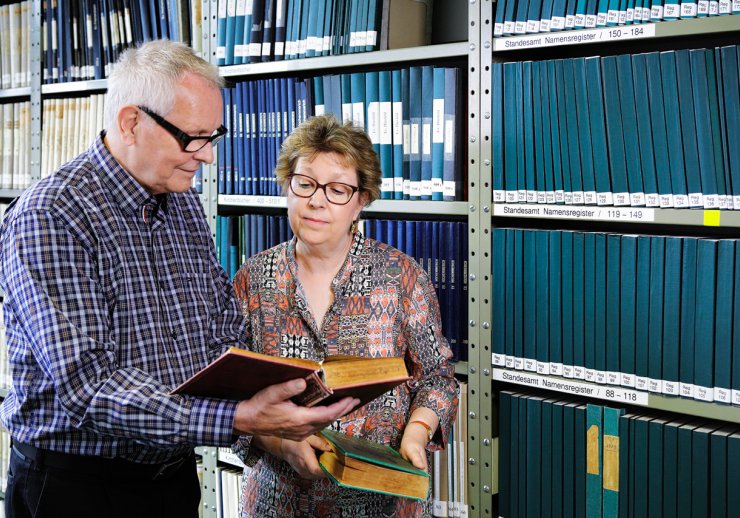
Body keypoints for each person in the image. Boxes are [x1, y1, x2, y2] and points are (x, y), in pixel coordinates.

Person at [0, 40, 357, 518]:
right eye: (193, 137)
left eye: (214, 136)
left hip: (171, 480)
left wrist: (271, 423)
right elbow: (88, 384)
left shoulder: (182, 201)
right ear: (131, 123)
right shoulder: (52, 216)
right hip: (75, 487)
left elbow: (219, 329)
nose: (207, 156)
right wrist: (238, 418)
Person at [232, 114, 459, 517]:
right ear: (288, 186)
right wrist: (280, 442)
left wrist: (417, 432)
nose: (317, 201)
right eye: (305, 184)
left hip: (379, 503)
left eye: (337, 189)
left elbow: (438, 379)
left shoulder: (400, 276)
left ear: (362, 199)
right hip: (277, 501)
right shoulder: (254, 278)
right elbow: (233, 397)